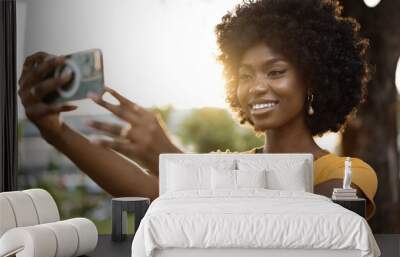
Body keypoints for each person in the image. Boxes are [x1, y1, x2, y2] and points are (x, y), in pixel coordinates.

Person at [17, 0, 377, 219]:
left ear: (312, 79)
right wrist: (56, 132)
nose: (256, 87)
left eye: (276, 71)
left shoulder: (348, 172)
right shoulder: (228, 166)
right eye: (245, 75)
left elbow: (306, 214)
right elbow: (153, 193)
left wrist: (170, 157)